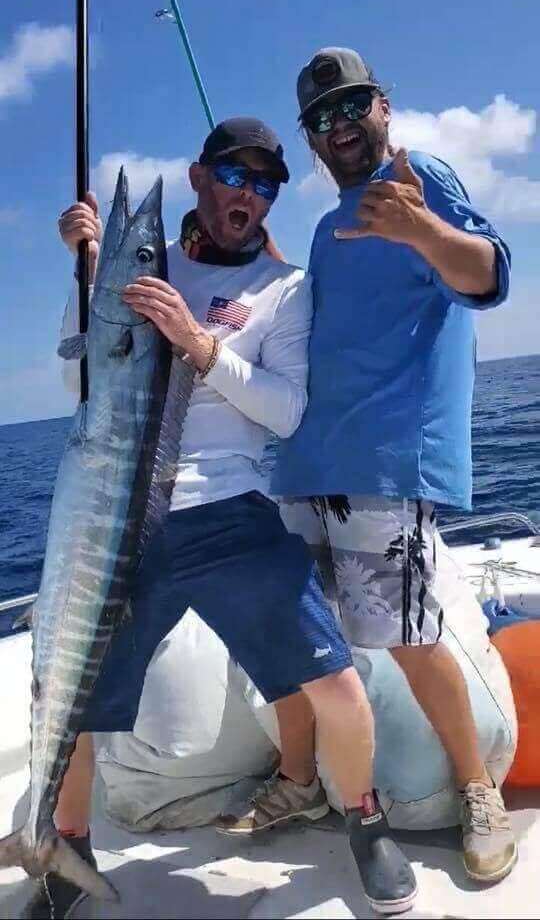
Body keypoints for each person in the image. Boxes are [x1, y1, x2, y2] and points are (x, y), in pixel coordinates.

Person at [25, 118, 417, 919]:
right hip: (128, 522)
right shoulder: (144, 269)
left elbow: (284, 410)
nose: (250, 195)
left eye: (267, 184)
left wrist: (200, 346)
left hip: (234, 513)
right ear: (200, 179)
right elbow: (84, 382)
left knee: (337, 684)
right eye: (235, 177)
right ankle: (63, 852)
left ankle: (365, 820)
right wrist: (87, 277)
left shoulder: (285, 288)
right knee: (74, 700)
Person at [217, 52, 518, 886]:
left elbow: (487, 274)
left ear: (383, 105)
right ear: (312, 136)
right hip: (305, 462)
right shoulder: (327, 227)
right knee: (300, 640)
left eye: (352, 105)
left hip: (385, 464)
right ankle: (301, 781)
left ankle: (475, 789)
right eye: (322, 116)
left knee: (414, 641)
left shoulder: (421, 179)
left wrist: (422, 227)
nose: (340, 125)